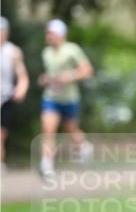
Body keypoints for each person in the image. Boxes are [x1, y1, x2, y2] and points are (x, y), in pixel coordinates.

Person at [38, 19, 93, 179]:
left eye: (52, 33)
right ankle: (47, 164)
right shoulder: (46, 52)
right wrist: (45, 79)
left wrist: (69, 76)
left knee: (72, 130)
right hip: (51, 98)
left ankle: (83, 146)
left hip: (69, 98)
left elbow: (87, 71)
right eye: (48, 33)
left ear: (61, 35)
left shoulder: (72, 50)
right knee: (48, 130)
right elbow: (51, 74)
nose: (49, 36)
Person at [0, 16, 29, 170]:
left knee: (1, 134)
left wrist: (21, 89)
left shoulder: (13, 52)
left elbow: (22, 75)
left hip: (5, 97)